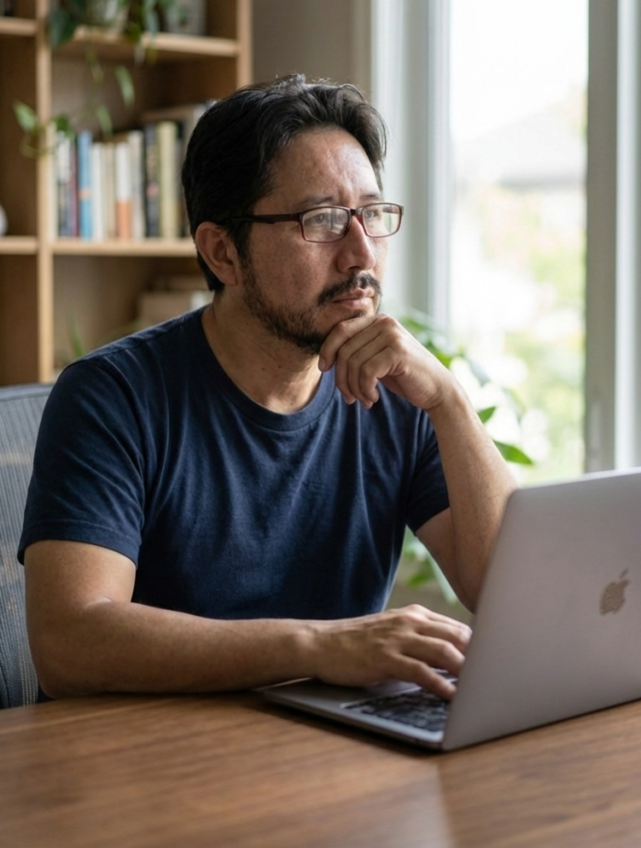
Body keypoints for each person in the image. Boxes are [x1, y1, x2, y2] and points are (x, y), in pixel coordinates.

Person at [19, 75, 516, 702]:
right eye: (325, 220)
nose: (361, 252)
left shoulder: (398, 391)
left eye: (371, 215)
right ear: (223, 253)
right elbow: (71, 641)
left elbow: (510, 596)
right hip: (146, 769)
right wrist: (316, 646)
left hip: (329, 757)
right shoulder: (112, 397)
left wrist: (451, 403)